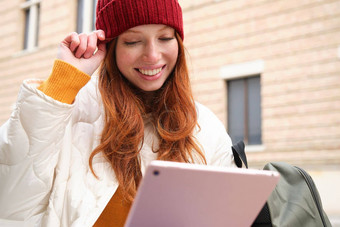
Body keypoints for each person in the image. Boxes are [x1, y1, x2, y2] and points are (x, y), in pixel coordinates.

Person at [0, 0, 235, 226]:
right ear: (110, 47)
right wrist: (62, 84)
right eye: (133, 41)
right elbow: (10, 202)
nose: (152, 55)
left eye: (165, 38)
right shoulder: (68, 110)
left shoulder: (205, 127)